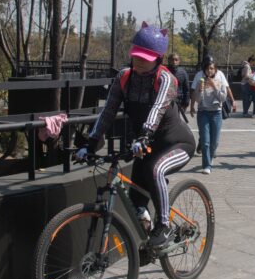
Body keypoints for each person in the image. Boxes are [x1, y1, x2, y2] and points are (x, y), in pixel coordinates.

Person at [76, 22, 196, 250]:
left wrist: (144, 135)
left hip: (178, 143)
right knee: (136, 204)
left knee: (157, 170)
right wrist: (91, 143)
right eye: (136, 56)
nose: (139, 61)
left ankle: (164, 225)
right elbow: (108, 111)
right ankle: (148, 243)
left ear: (158, 59)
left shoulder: (165, 79)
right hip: (146, 147)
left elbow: (157, 109)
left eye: (146, 58)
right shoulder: (123, 77)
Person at [190, 55, 236, 174]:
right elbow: (198, 99)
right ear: (204, 69)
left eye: (212, 68)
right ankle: (207, 165)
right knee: (205, 141)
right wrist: (200, 90)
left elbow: (222, 97)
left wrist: (214, 86)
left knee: (214, 142)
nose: (209, 71)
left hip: (216, 112)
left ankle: (210, 157)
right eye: (207, 68)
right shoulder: (199, 77)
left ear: (215, 69)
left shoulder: (220, 78)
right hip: (203, 112)